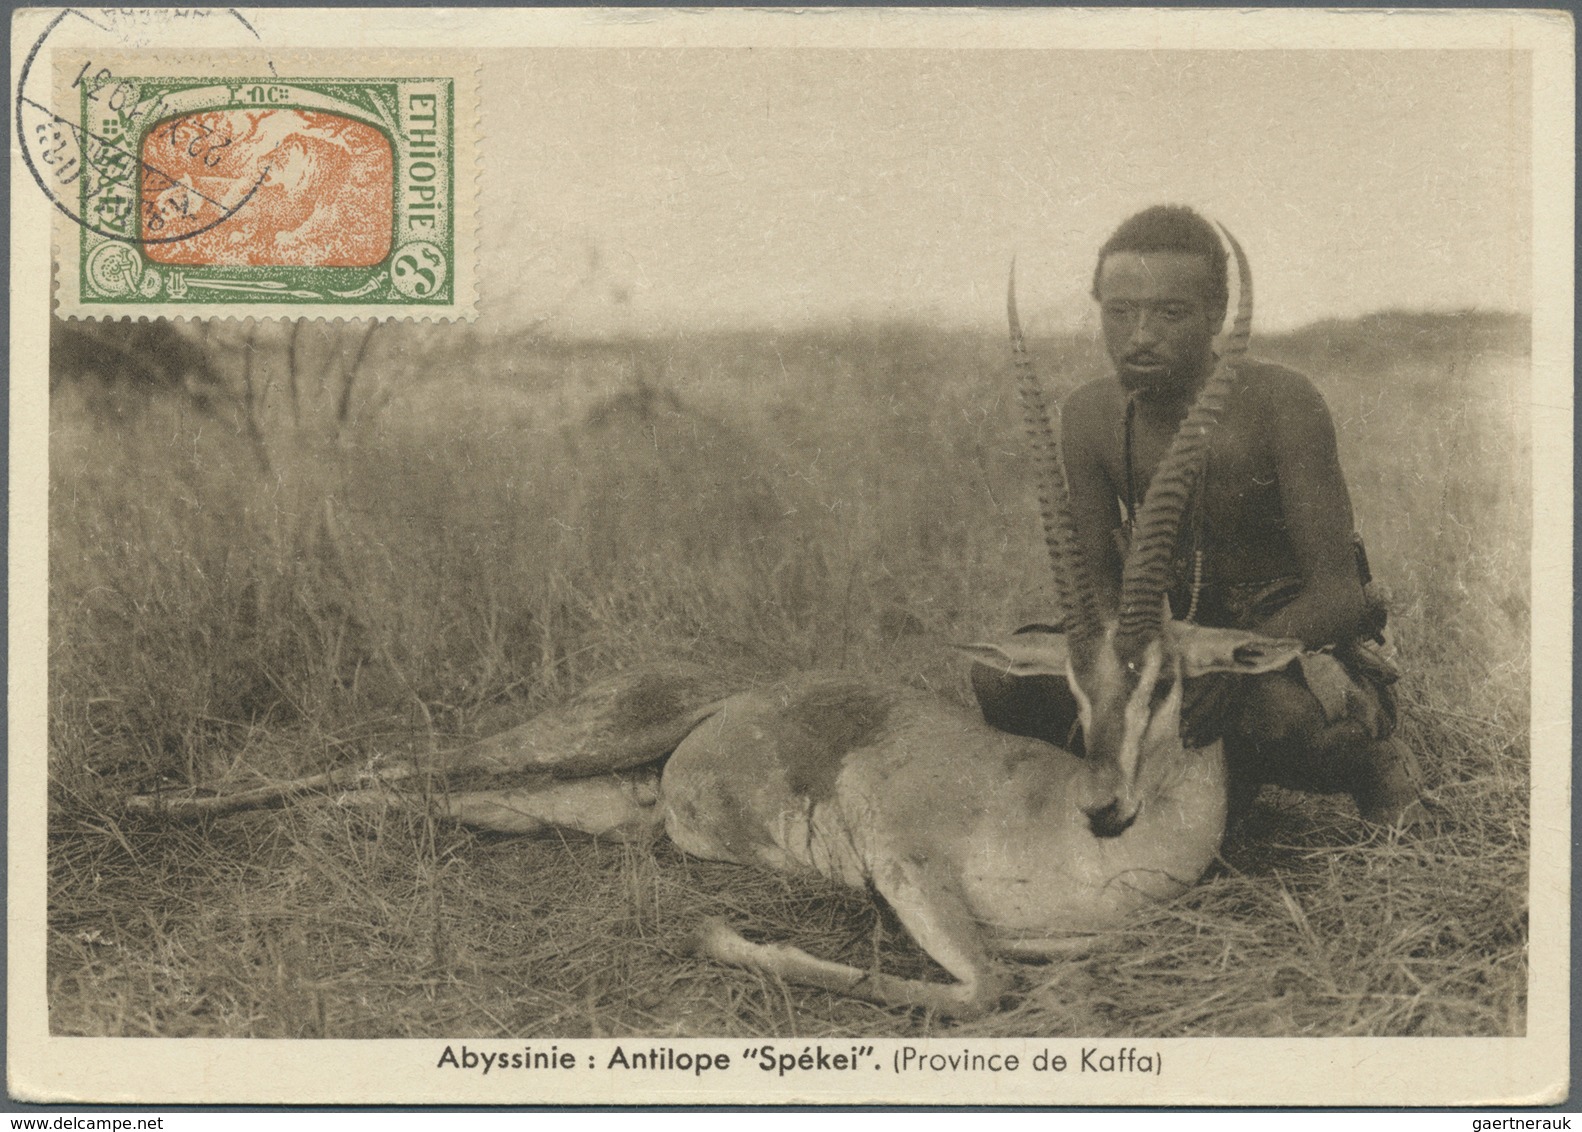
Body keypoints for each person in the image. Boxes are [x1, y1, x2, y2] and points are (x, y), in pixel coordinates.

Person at [973, 205, 1425, 827]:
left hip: (1280, 635)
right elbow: (1097, 583)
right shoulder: (1089, 416)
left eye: (1169, 313)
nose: (1139, 336)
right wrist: (1124, 668)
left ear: (1216, 316)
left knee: (1277, 720)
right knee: (1002, 681)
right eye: (1121, 312)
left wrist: (1234, 666)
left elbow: (1340, 596)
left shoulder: (1282, 401)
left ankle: (1369, 762)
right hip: (1158, 637)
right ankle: (1174, 782)